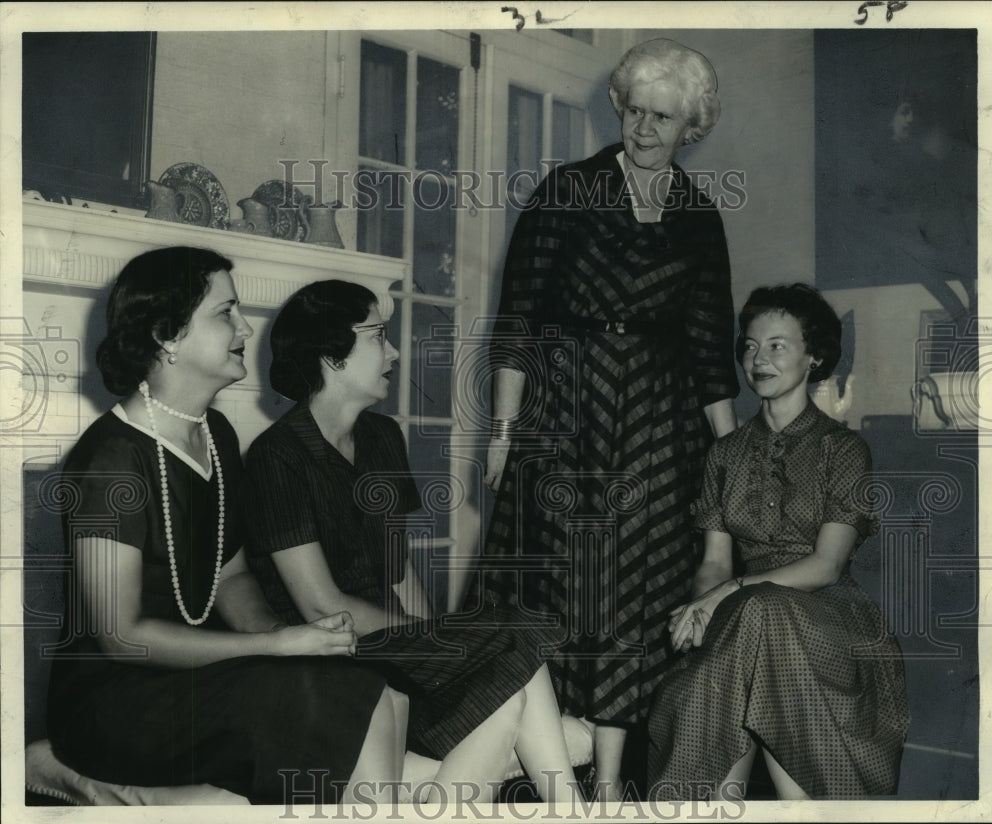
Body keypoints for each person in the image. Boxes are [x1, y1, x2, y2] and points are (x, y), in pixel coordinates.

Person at [46, 247, 408, 806]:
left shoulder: (214, 432)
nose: (244, 327)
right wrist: (276, 647)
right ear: (168, 336)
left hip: (190, 680)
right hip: (116, 703)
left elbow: (233, 577)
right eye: (225, 312)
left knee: (361, 681)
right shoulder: (110, 460)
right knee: (330, 698)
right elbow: (122, 638)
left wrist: (287, 643)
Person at [476, 37, 741, 798]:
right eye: (637, 111)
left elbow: (708, 352)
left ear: (692, 125)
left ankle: (614, 786)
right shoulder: (566, 191)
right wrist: (501, 431)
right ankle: (539, 774)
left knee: (641, 592)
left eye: (665, 117)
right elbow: (517, 321)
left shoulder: (697, 215)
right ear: (619, 107)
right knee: (563, 589)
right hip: (567, 412)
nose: (646, 128)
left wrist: (731, 461)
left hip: (660, 427)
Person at [241, 279, 583, 805]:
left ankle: (571, 812)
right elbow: (319, 605)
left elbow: (400, 571)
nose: (394, 350)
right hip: (330, 664)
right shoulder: (277, 456)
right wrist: (436, 641)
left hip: (393, 648)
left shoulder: (383, 438)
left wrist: (435, 643)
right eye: (379, 336)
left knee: (515, 660)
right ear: (332, 357)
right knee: (512, 646)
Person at [646, 283, 910, 800]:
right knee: (748, 629)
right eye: (749, 345)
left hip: (831, 621)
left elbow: (827, 566)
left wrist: (726, 595)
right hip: (751, 621)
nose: (757, 358)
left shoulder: (845, 449)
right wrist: (704, 602)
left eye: (777, 345)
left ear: (814, 356)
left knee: (760, 613)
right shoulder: (725, 454)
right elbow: (714, 563)